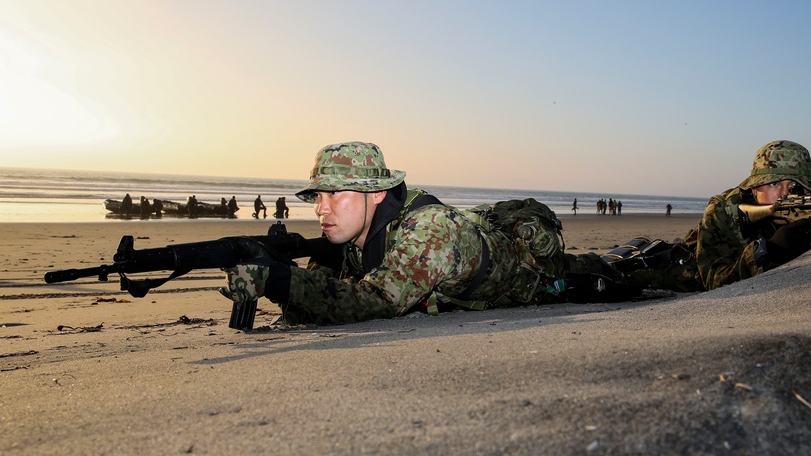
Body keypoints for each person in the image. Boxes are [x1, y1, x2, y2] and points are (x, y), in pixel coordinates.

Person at [219, 142, 673, 326]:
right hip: (490, 273)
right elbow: (327, 295)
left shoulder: (426, 231)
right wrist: (285, 276)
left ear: (376, 195)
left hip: (542, 277)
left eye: (336, 194)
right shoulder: (347, 237)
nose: (321, 208)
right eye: (316, 197)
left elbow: (376, 302)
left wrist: (278, 281)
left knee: (645, 269)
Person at [679, 140, 811, 291]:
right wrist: (768, 254)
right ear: (754, 188)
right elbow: (714, 281)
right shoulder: (725, 210)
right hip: (685, 266)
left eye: (796, 186)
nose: (786, 194)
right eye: (774, 184)